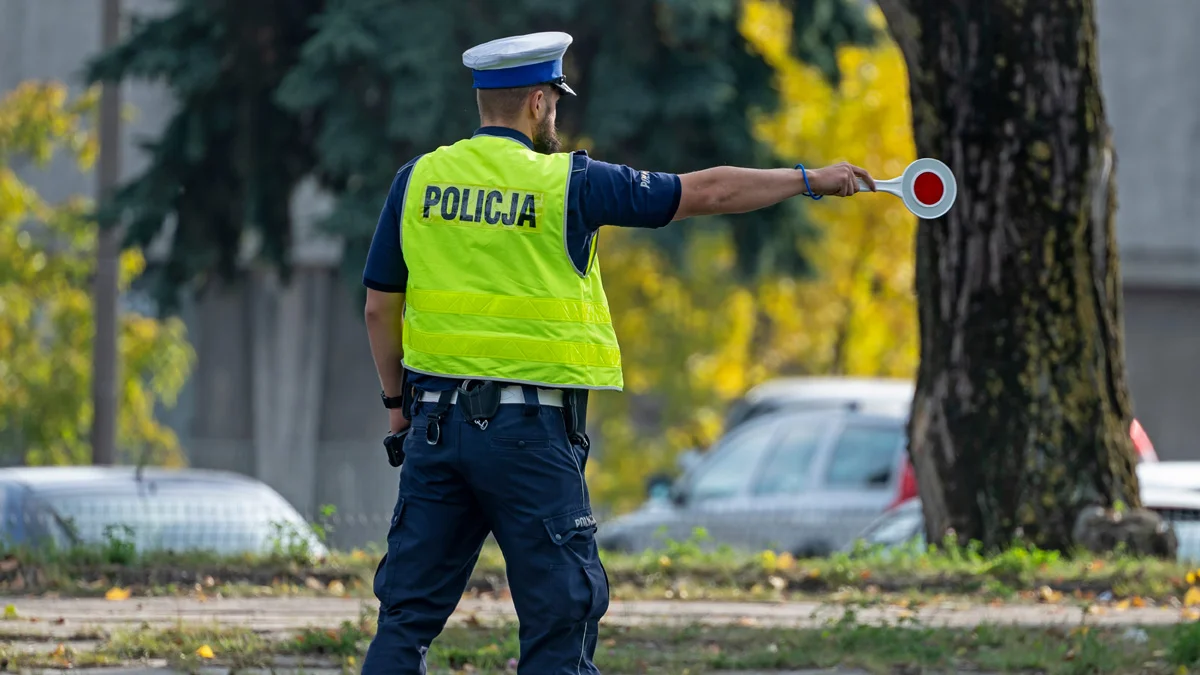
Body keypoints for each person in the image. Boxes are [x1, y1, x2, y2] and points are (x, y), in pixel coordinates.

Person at [359, 31, 875, 675]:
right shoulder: (567, 183)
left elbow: (381, 306)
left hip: (434, 427)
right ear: (541, 103)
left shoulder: (417, 180)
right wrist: (809, 179)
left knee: (405, 621)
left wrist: (396, 406)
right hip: (529, 437)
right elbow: (704, 191)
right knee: (558, 618)